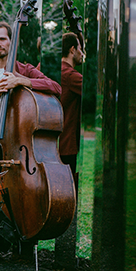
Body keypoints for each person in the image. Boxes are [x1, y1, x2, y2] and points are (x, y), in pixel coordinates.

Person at [0, 21, 62, 264]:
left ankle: (10, 247)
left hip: (14, 151)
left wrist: (22, 81)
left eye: (2, 39)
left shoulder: (24, 70)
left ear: (11, 41)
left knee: (13, 200)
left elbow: (55, 87)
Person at [59, 32, 84, 175]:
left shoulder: (47, 68)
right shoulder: (71, 75)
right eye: (80, 48)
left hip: (48, 144)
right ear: (72, 50)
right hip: (66, 145)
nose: (82, 53)